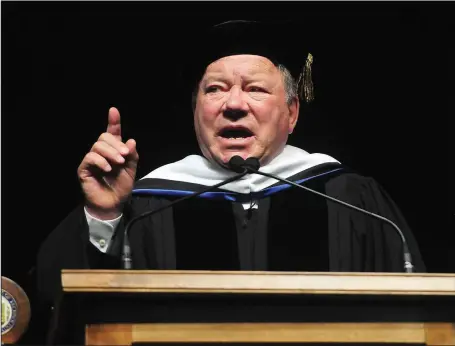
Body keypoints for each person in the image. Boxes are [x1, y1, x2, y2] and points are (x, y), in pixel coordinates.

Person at [36, 19, 425, 333]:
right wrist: (104, 218)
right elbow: (63, 308)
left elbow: (414, 320)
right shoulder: (148, 202)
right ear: (195, 112)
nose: (234, 105)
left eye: (255, 89)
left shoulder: (348, 196)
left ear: (292, 113)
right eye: (215, 90)